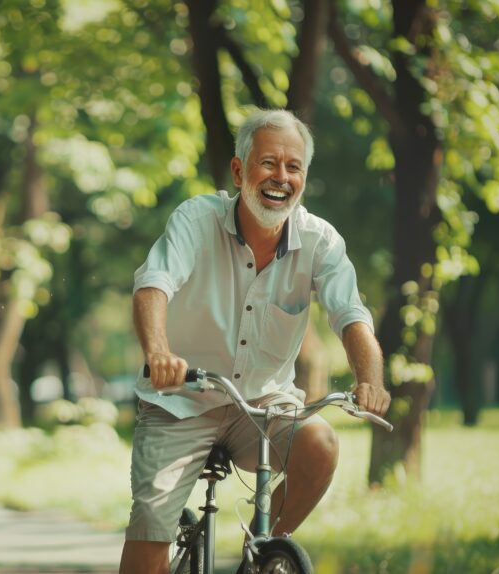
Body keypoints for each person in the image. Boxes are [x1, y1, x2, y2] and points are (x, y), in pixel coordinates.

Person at [119, 109, 391, 574]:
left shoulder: (320, 241)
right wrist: (159, 352)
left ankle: (261, 556)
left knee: (320, 443)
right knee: (151, 519)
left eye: (293, 167)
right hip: (181, 398)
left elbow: (350, 315)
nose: (280, 177)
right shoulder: (196, 219)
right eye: (268, 163)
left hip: (263, 406)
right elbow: (154, 284)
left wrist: (371, 379)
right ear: (240, 170)